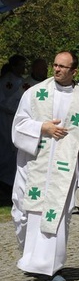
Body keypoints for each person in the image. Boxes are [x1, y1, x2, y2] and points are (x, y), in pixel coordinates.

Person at [10, 51, 79, 281]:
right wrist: (42, 128)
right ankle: (31, 259)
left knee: (57, 214)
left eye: (63, 67)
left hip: (63, 169)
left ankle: (53, 267)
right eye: (55, 65)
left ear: (73, 71)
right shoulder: (36, 93)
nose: (57, 69)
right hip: (34, 163)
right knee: (25, 211)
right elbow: (19, 125)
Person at [0, 55, 27, 188]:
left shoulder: (24, 81)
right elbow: (2, 101)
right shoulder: (6, 81)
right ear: (14, 66)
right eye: (21, 65)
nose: (24, 68)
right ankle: (4, 181)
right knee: (6, 149)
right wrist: (14, 108)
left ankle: (12, 180)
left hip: (18, 120)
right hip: (6, 120)